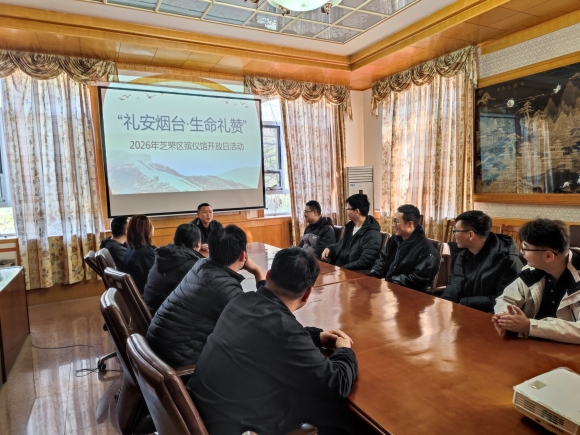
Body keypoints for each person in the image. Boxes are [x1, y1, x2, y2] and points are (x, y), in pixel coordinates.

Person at [187, 247, 358, 434]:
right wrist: (345, 350)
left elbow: (270, 337)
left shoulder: (240, 301)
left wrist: (315, 337)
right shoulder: (285, 331)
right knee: (339, 415)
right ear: (307, 293)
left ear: (268, 275)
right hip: (238, 428)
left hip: (202, 415)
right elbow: (336, 384)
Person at [146, 225, 266, 368]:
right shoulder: (225, 288)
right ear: (243, 256)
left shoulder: (200, 265)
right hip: (178, 361)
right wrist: (258, 273)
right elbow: (260, 322)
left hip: (158, 348)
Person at [493, 219, 580, 344]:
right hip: (530, 343)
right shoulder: (532, 270)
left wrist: (530, 326)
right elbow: (506, 298)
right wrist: (505, 316)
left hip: (568, 349)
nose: (522, 252)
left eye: (526, 248)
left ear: (548, 256)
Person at [442, 211, 523, 312]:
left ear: (470, 235)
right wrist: (446, 300)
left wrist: (463, 303)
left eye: (456, 231)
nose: (454, 235)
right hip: (462, 310)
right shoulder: (461, 253)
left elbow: (504, 300)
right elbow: (453, 283)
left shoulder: (507, 259)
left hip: (489, 315)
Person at [369, 204, 440, 291]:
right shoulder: (394, 239)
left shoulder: (427, 250)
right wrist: (374, 275)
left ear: (410, 224)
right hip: (388, 287)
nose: (393, 225)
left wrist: (390, 281)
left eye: (396, 221)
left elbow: (419, 279)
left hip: (407, 293)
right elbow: (382, 258)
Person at [143, 223, 204, 316]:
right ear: (198, 244)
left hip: (151, 311)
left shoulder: (163, 255)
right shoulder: (192, 264)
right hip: (168, 317)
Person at [321, 194, 381, 271]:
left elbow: (365, 261)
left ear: (357, 211)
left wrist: (341, 269)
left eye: (348, 209)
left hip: (351, 272)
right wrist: (329, 248)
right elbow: (341, 245)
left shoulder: (372, 233)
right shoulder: (350, 227)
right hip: (339, 268)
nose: (347, 211)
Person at [120, 215, 155, 295]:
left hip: (133, 291)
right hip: (144, 293)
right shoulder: (145, 253)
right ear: (146, 230)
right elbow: (154, 276)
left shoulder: (131, 248)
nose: (153, 227)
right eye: (151, 225)